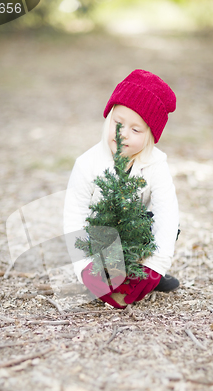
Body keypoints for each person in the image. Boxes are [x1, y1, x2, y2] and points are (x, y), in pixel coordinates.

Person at [64, 69, 180, 309]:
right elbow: (74, 216)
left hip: (139, 240)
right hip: (99, 242)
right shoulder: (87, 164)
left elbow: (166, 216)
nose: (123, 134)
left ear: (150, 136)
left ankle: (141, 274)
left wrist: (155, 266)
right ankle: (108, 279)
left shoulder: (156, 165)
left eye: (136, 130)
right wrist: (83, 268)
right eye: (118, 123)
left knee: (165, 226)